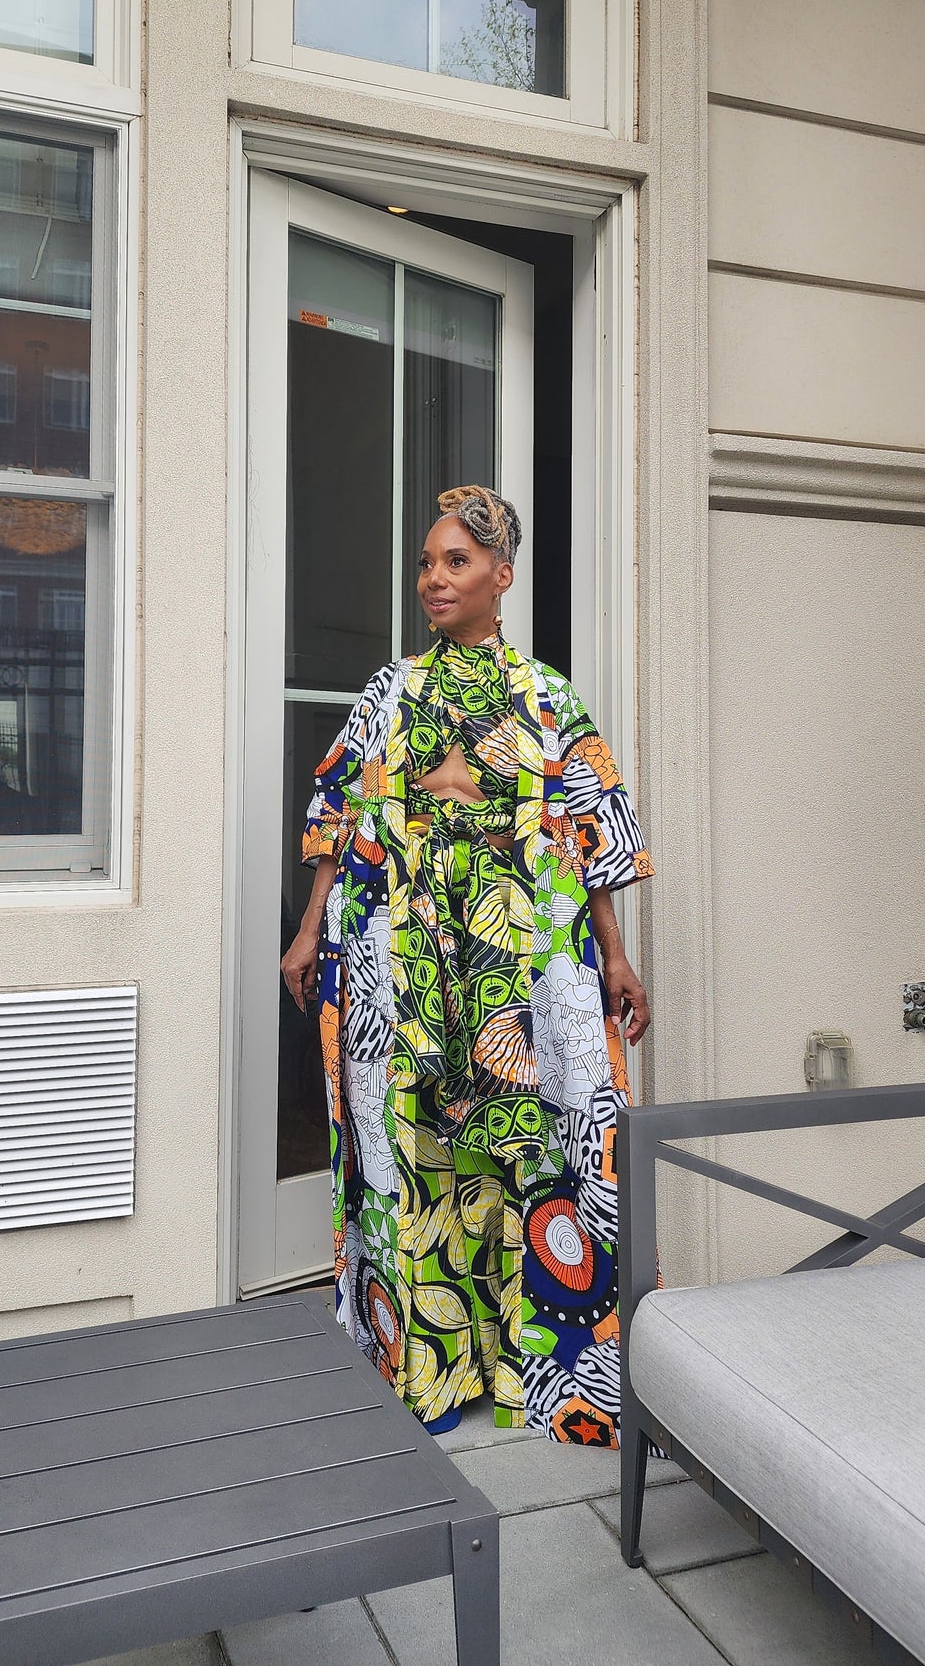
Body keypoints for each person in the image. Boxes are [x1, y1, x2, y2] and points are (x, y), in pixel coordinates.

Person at [281, 485, 653, 1446]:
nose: (432, 580)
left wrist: (614, 955)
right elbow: (341, 817)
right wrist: (311, 927)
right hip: (405, 956)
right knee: (416, 1156)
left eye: (455, 561)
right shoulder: (390, 690)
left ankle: (543, 1374)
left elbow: (590, 834)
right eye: (425, 563)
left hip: (519, 961)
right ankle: (430, 1371)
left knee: (533, 1154)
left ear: (502, 576)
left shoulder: (546, 696)